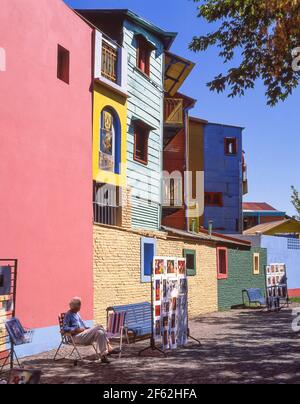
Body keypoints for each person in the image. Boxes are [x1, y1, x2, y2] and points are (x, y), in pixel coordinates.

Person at [63, 297, 119, 364]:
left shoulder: (77, 313)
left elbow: (83, 326)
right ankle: (109, 347)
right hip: (76, 337)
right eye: (79, 305)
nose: (80, 306)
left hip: (84, 334)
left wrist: (86, 328)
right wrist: (75, 329)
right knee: (99, 326)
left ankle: (103, 356)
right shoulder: (68, 315)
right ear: (75, 306)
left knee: (100, 332)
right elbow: (65, 328)